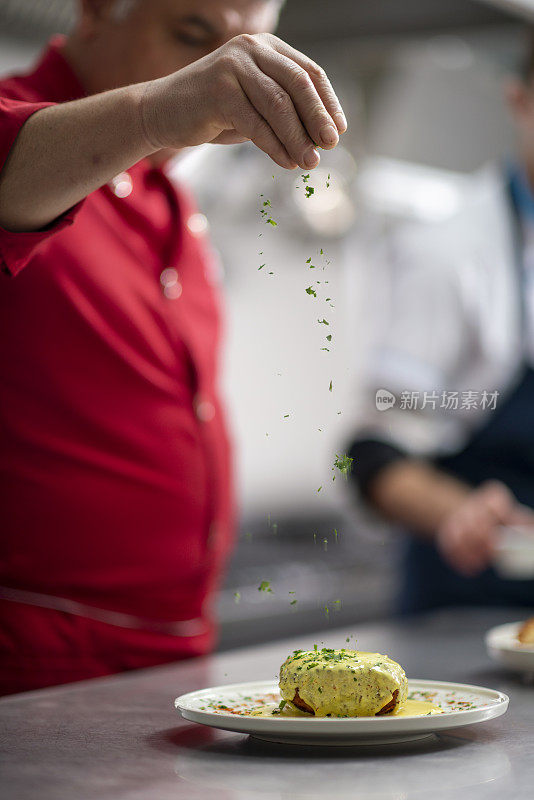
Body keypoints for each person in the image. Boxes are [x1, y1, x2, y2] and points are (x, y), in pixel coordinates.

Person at [0, 0, 347, 695]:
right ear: (97, 12)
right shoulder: (32, 135)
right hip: (39, 655)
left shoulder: (171, 203)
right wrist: (157, 109)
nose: (225, 72)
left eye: (253, 47)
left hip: (175, 650)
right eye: (193, 35)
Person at [347, 30, 534, 614]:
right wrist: (460, 513)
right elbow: (377, 455)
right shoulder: (450, 249)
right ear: (520, 100)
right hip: (470, 613)